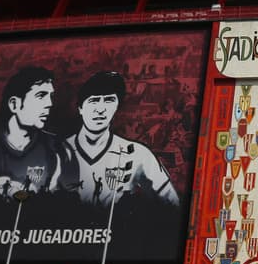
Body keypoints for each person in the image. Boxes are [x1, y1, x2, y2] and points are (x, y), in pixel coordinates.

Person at [65, 71, 178, 204]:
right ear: (80, 108)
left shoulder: (138, 154)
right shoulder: (59, 152)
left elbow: (172, 203)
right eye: (94, 101)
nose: (101, 109)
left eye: (109, 100)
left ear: (117, 106)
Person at [0, 67, 70, 197]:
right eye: (41, 96)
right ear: (14, 104)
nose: (49, 103)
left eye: (51, 96)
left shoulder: (56, 149)